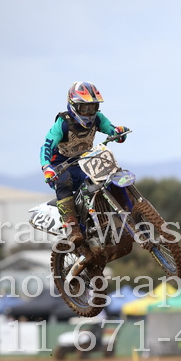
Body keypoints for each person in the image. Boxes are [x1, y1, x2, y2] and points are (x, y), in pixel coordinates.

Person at [40, 81, 129, 246]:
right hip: (61, 166)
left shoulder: (98, 118)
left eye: (92, 107)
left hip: (84, 162)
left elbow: (110, 128)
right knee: (63, 181)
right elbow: (47, 146)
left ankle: (122, 211)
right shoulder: (62, 124)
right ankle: (72, 226)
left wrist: (118, 132)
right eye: (84, 108)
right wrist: (47, 168)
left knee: (107, 175)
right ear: (73, 106)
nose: (89, 113)